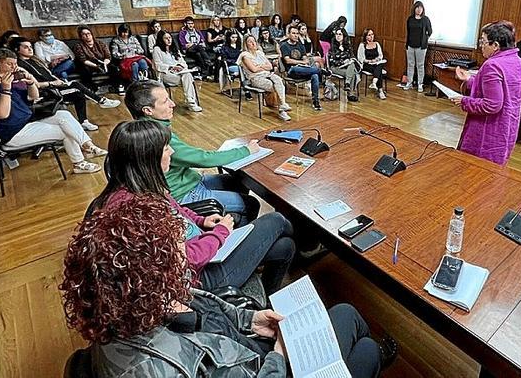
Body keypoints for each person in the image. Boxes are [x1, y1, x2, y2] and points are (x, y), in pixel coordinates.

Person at [61, 157, 383, 377]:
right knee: (364, 344)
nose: (184, 256)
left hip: (243, 346)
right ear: (154, 273)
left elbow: (201, 309)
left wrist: (249, 319)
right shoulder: (162, 366)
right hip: (266, 365)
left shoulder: (131, 303)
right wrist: (279, 357)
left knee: (347, 318)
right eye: (176, 251)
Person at [82, 120, 294, 292]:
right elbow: (184, 260)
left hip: (200, 247)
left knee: (285, 246)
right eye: (166, 148)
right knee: (276, 220)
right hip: (198, 279)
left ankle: (264, 300)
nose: (172, 152)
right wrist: (220, 234)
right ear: (147, 159)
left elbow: (177, 209)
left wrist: (201, 220)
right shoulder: (135, 212)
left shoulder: (139, 185)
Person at [126, 80, 262, 224]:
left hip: (189, 181)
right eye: (165, 101)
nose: (173, 104)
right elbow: (203, 159)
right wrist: (246, 150)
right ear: (148, 110)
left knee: (238, 181)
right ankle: (235, 239)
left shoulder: (143, 130)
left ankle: (232, 217)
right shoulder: (155, 136)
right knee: (251, 203)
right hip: (182, 192)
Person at [0, 58, 105, 174]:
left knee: (64, 114)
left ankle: (88, 145)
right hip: (14, 134)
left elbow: (32, 97)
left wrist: (30, 83)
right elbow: (2, 114)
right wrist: (7, 88)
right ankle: (79, 163)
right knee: (66, 131)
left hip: (27, 122)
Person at [451, 21, 521, 165]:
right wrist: (469, 79)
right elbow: (497, 90)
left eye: (484, 42)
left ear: (496, 45)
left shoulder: (492, 65)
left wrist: (464, 101)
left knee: (474, 170)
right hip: (507, 128)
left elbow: (492, 105)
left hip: (487, 132)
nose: (481, 46)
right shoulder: (517, 61)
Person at [9, 39, 121, 130]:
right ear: (17, 50)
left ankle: (84, 121)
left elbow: (49, 75)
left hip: (56, 86)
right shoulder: (20, 66)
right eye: (25, 47)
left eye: (30, 46)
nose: (30, 49)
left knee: (78, 92)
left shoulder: (35, 60)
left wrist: (59, 81)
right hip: (46, 92)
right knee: (77, 88)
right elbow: (34, 85)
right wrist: (53, 83)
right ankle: (101, 101)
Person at [240, 35, 292, 121]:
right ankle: (282, 109)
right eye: (250, 42)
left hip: (267, 75)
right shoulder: (244, 55)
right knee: (276, 86)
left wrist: (259, 66)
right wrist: (262, 66)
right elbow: (253, 69)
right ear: (246, 44)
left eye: (254, 41)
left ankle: (282, 106)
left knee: (279, 80)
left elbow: (270, 66)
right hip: (255, 78)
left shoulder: (260, 53)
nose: (253, 43)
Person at [152, 30, 202, 112]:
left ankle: (190, 101)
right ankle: (191, 102)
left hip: (179, 73)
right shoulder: (157, 49)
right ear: (161, 39)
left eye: (170, 38)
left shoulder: (174, 49)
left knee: (187, 74)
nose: (169, 40)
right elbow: (157, 65)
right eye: (166, 38)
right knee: (187, 77)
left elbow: (183, 62)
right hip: (166, 74)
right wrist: (171, 67)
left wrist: (180, 66)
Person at [281, 25, 325, 111]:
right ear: (288, 34)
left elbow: (305, 58)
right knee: (295, 68)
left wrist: (305, 63)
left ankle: (315, 101)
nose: (295, 35)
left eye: (297, 33)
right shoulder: (284, 46)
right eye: (293, 33)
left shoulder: (300, 45)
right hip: (292, 71)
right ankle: (321, 71)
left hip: (304, 70)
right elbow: (288, 61)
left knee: (315, 75)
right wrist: (301, 62)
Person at [398, 1, 433, 92]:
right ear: (414, 9)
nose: (419, 9)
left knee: (420, 65)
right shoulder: (410, 19)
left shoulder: (425, 19)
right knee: (410, 65)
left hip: (421, 47)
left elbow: (430, 31)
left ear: (423, 9)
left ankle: (420, 84)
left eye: (421, 8)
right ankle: (409, 82)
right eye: (417, 7)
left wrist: (425, 39)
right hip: (410, 45)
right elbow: (408, 31)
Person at [327, 27, 360, 102]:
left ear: (344, 36)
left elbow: (352, 57)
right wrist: (343, 62)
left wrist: (349, 60)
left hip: (346, 68)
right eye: (337, 34)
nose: (338, 36)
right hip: (335, 68)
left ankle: (347, 84)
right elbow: (332, 61)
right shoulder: (332, 47)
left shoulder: (348, 46)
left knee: (352, 64)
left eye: (340, 34)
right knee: (353, 73)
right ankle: (350, 93)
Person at [357, 28, 387, 100]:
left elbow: (380, 55)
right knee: (378, 69)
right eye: (369, 35)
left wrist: (376, 60)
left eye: (372, 34)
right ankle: (380, 90)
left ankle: (374, 82)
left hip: (376, 63)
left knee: (379, 65)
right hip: (367, 64)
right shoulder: (362, 45)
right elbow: (360, 58)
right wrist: (369, 61)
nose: (371, 36)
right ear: (366, 36)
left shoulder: (376, 44)